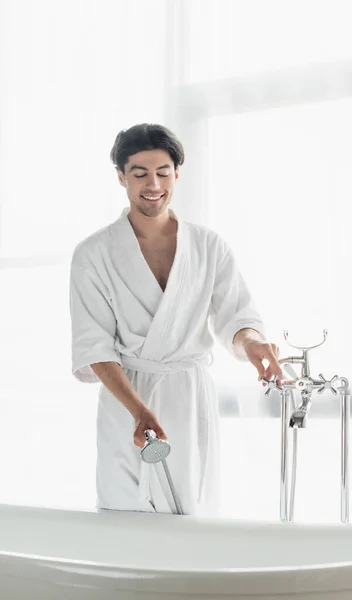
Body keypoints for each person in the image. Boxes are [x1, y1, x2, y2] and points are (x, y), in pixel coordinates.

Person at [69, 123, 283, 516]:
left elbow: (237, 315)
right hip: (127, 399)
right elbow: (94, 345)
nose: (153, 184)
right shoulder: (93, 254)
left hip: (189, 397)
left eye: (163, 172)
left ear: (177, 174)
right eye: (140, 174)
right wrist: (138, 411)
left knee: (192, 514)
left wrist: (252, 342)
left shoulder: (207, 246)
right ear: (121, 177)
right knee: (124, 515)